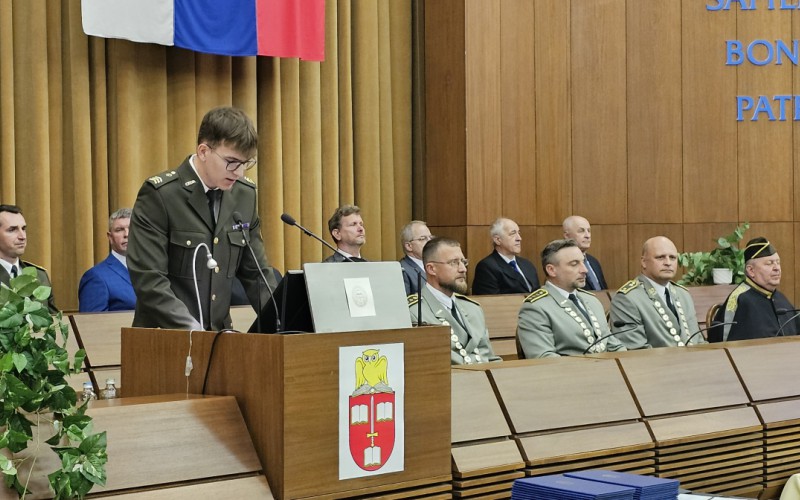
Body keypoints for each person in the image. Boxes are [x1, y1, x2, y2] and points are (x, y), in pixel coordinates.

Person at [127, 106, 278, 331]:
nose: (239, 173)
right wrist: (193, 330)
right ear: (204, 151)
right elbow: (149, 280)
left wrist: (284, 322)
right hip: (165, 339)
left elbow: (256, 274)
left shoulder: (244, 195)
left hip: (220, 337)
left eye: (246, 163)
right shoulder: (162, 195)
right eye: (231, 161)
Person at [517, 239, 626, 358]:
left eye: (583, 262)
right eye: (574, 264)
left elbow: (614, 346)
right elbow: (544, 358)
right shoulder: (536, 308)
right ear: (551, 270)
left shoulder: (592, 301)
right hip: (569, 370)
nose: (584, 270)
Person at [408, 237, 501, 365]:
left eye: (463, 262)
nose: (463, 269)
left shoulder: (473, 309)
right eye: (454, 263)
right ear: (431, 269)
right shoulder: (414, 313)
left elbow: (490, 358)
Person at [610, 236, 702, 349]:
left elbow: (698, 341)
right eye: (660, 257)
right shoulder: (627, 299)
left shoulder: (683, 294)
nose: (668, 263)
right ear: (644, 262)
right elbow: (636, 350)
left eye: (672, 257)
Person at [711, 237, 799, 341]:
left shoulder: (780, 298)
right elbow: (723, 342)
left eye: (778, 262)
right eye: (769, 263)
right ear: (751, 270)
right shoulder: (740, 299)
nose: (777, 268)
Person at [0, 204, 57, 313]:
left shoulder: (40, 275)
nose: (22, 236)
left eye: (23, 229)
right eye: (12, 230)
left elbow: (53, 319)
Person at [78, 208, 137, 312]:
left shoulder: (154, 269)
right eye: (119, 230)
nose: (126, 234)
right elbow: (91, 321)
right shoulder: (96, 276)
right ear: (110, 237)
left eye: (131, 228)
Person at [471, 217, 540, 295]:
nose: (519, 238)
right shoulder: (487, 267)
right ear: (498, 240)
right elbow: (490, 301)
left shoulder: (527, 264)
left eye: (519, 233)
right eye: (513, 233)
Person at [562, 215, 607, 290]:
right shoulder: (562, 263)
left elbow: (604, 291)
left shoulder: (593, 261)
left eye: (589, 231)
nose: (587, 235)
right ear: (567, 236)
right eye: (581, 231)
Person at [399, 220, 432, 295]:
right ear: (409, 246)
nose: (430, 242)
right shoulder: (402, 271)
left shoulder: (435, 265)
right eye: (423, 238)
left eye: (430, 237)